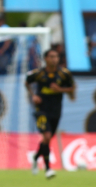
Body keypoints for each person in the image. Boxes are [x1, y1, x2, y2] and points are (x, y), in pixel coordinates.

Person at [25, 49, 75, 179]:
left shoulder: (64, 74)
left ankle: (36, 158)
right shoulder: (39, 73)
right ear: (45, 59)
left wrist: (60, 89)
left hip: (56, 110)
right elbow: (27, 82)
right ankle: (48, 169)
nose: (54, 59)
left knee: (48, 139)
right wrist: (33, 96)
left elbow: (72, 89)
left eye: (56, 57)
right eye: (51, 57)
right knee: (46, 137)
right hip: (41, 110)